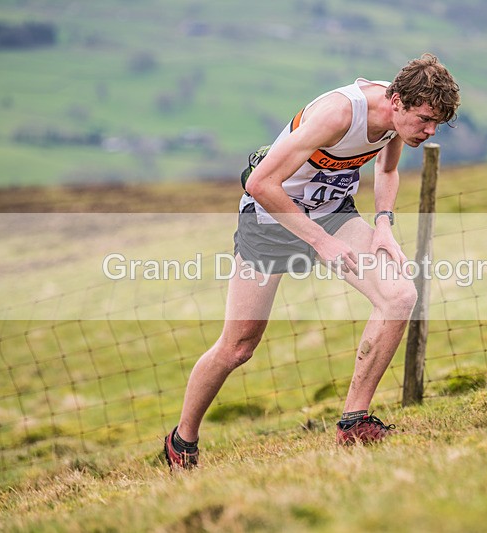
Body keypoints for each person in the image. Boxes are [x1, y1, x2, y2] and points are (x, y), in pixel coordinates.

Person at [164, 53, 460, 470]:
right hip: (271, 217)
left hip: (332, 213)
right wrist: (320, 242)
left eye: (437, 125)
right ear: (396, 100)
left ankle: (353, 422)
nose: (429, 132)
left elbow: (387, 171)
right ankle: (182, 440)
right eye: (425, 120)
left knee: (398, 296)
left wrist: (384, 226)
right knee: (238, 346)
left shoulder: (396, 124)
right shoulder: (339, 113)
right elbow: (260, 183)